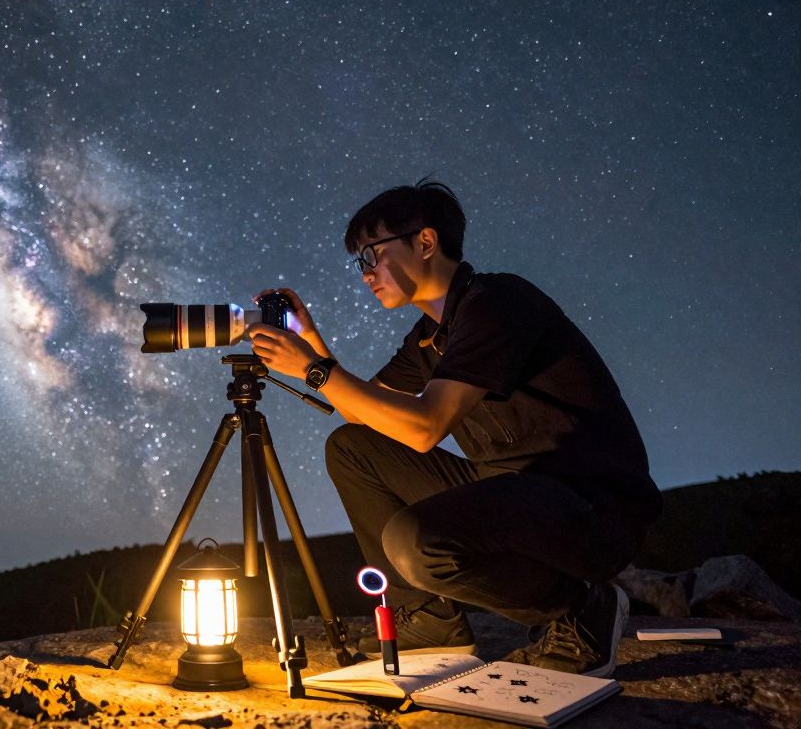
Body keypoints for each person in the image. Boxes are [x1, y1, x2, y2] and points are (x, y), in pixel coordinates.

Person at [247, 178, 661, 678]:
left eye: (371, 256)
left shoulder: (498, 302)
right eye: (360, 263)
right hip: (512, 496)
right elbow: (363, 414)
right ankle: (427, 618)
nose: (366, 275)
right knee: (352, 447)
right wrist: (310, 340)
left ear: (425, 242)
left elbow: (425, 428)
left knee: (413, 540)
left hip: (589, 510)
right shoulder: (429, 338)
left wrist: (313, 370)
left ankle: (579, 607)